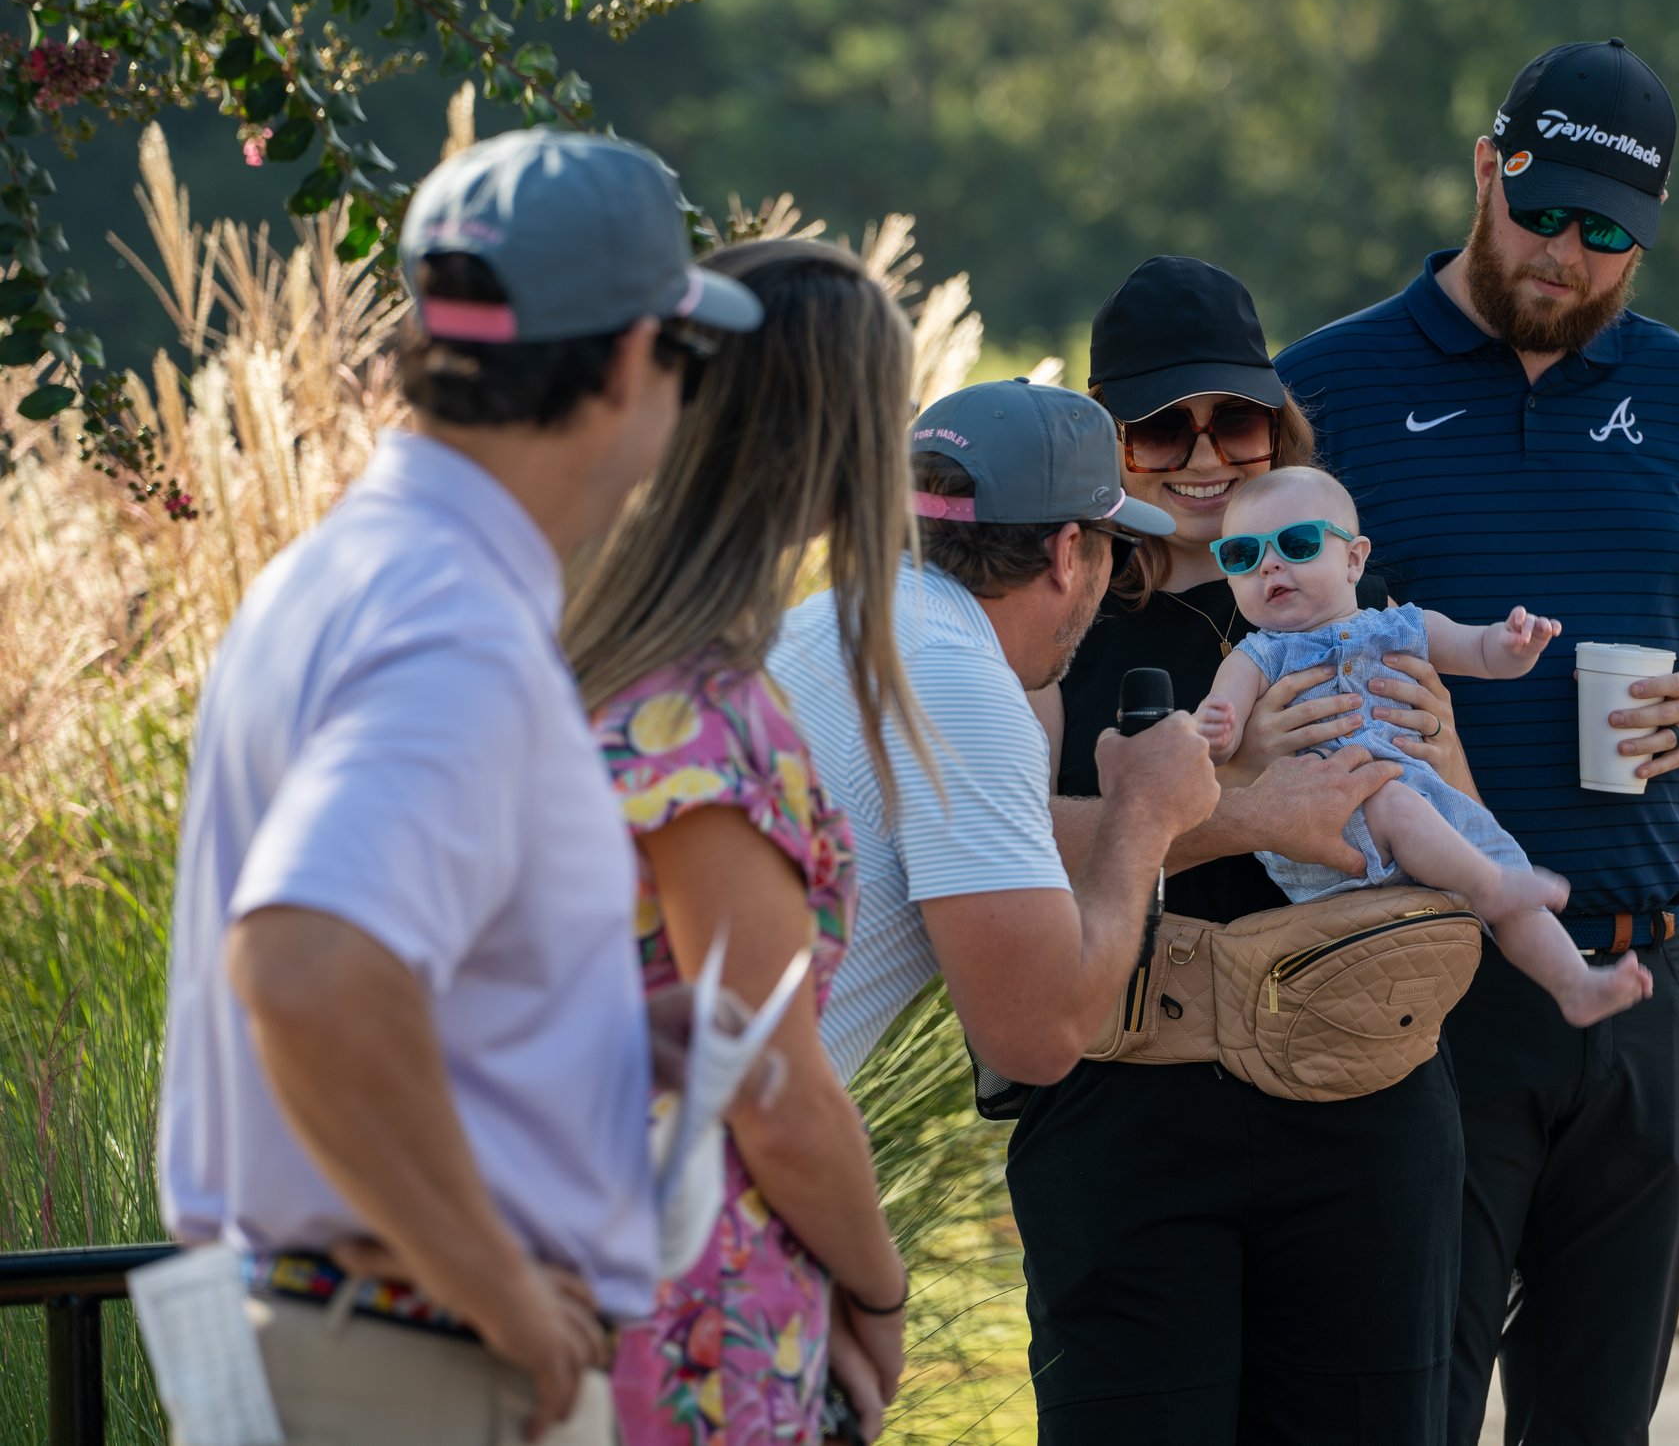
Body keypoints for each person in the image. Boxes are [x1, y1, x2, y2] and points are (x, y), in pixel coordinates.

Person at [156, 130, 762, 1443]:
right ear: (627, 359)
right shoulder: (456, 622)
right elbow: (306, 963)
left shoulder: (345, 573)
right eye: (689, 357)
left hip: (337, 1341)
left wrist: (582, 1030)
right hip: (421, 1363)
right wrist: (496, 1286)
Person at [1274, 40, 1679, 1445]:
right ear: (1485, 169)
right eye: (1541, 210)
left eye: (1606, 232)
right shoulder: (1324, 388)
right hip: (1422, 979)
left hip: (1644, 982)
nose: (1565, 254)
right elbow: (1240, 654)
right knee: (1408, 1409)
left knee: (1597, 1420)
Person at [1010, 255, 1479, 1445]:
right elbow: (1011, 846)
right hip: (1127, 1105)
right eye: (1161, 428)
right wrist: (1247, 795)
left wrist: (1412, 759)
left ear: (1280, 421)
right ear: (1105, 437)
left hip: (1358, 1096)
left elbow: (1458, 848)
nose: (1205, 454)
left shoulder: (1349, 594)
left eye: (1236, 419)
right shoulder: (1051, 601)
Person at [565, 239, 922, 1444]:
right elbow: (770, 1085)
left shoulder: (572, 654)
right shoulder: (700, 712)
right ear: (840, 450)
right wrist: (879, 1289)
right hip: (684, 1310)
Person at [769, 378, 1220, 1089]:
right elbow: (1035, 1037)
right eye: (1120, 549)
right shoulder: (960, 684)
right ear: (1068, 550)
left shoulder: (818, 625)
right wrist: (1145, 811)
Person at [1193, 466, 1651, 1026]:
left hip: (1432, 809)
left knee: (1503, 866)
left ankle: (1575, 984)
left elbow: (1480, 654)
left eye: (1297, 543)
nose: (1268, 565)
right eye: (1242, 555)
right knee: (1400, 805)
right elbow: (1219, 726)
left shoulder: (1404, 626)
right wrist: (1216, 731)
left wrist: (1514, 646)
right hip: (1327, 828)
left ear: (1354, 560)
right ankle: (1489, 888)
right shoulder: (1258, 655)